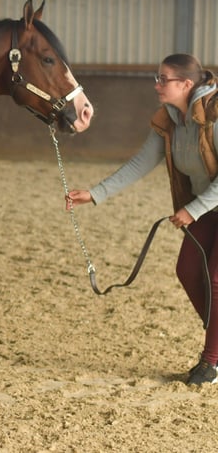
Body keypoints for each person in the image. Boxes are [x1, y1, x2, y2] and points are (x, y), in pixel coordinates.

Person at [67, 53, 218, 385]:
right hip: (208, 208)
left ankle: (212, 362)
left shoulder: (215, 115)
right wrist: (95, 193)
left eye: (164, 79)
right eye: (157, 77)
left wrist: (192, 210)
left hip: (205, 205)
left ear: (186, 84)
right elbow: (141, 163)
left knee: (216, 277)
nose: (156, 85)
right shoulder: (169, 120)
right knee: (188, 270)